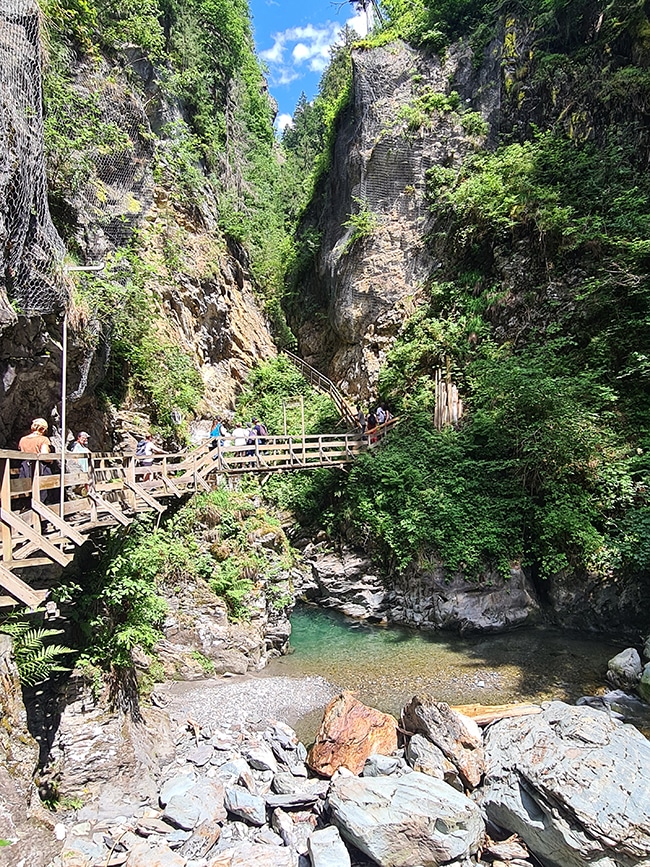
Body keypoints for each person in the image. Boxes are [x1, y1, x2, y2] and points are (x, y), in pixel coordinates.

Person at [18, 417, 53, 503]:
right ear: (42, 429)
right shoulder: (43, 439)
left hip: (25, 467)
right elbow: (44, 455)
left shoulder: (23, 439)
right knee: (42, 491)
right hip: (39, 468)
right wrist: (51, 460)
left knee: (27, 489)